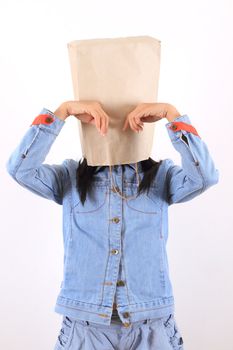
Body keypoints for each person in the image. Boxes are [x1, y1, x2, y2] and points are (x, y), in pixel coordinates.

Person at [6, 100, 219, 349]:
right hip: (85, 328)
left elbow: (206, 176)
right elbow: (20, 169)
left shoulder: (162, 176)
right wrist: (62, 112)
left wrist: (171, 115)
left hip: (151, 326)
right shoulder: (70, 177)